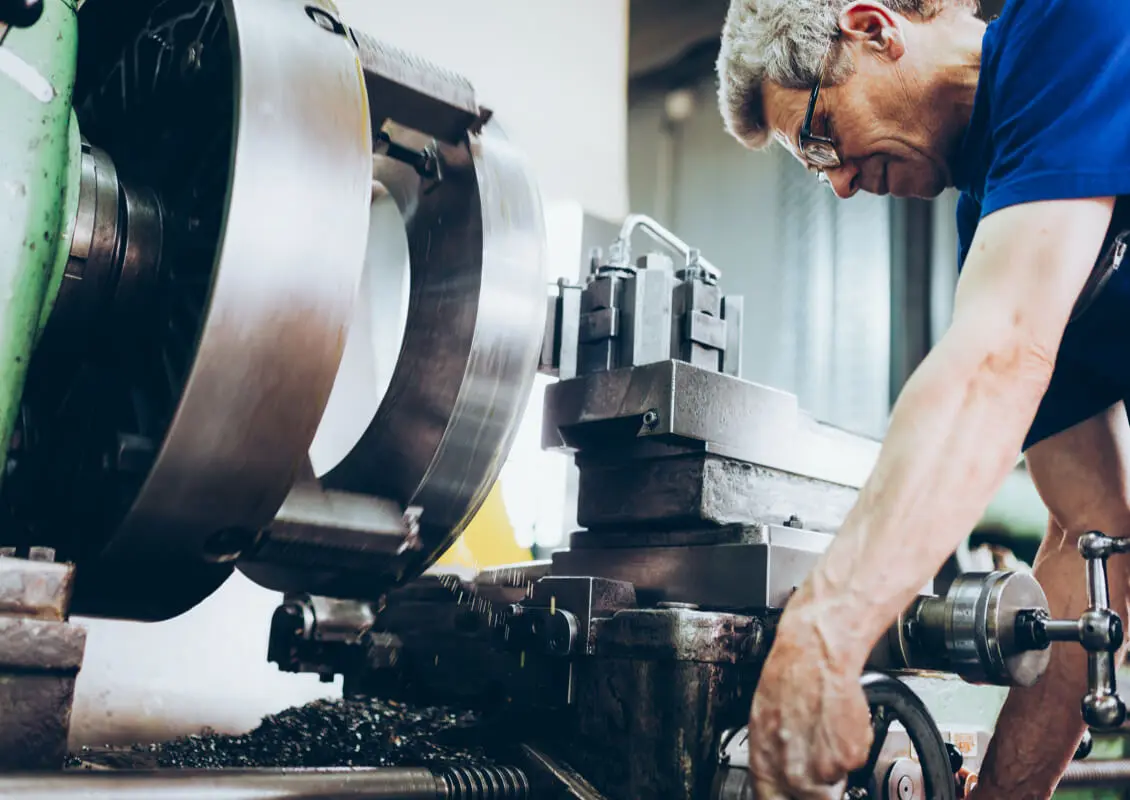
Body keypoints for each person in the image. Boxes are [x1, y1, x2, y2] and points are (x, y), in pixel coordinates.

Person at [714, 0, 1130, 797]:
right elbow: (1096, 537)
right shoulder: (1002, 217)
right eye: (814, 169)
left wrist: (824, 634)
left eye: (820, 137)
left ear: (872, 27)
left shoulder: (1073, 20)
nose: (836, 185)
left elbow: (999, 356)